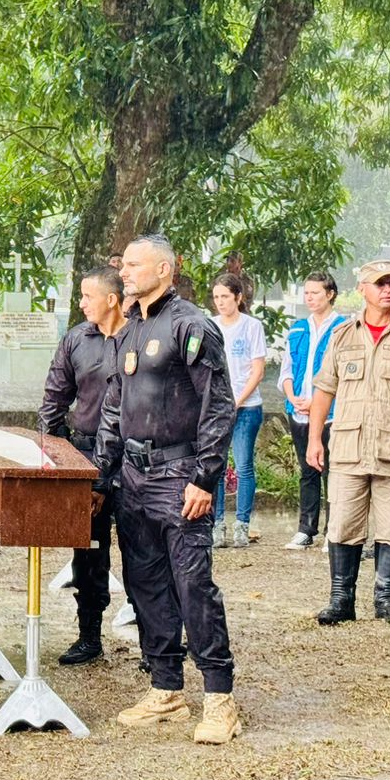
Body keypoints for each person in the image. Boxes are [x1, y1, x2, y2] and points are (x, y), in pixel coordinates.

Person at [95, 234, 240, 745]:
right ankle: (165, 686)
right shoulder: (131, 327)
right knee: (145, 583)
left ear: (164, 269)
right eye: (124, 264)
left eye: (134, 265)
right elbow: (115, 405)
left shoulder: (191, 325)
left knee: (192, 582)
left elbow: (218, 406)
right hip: (133, 478)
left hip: (180, 477)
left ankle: (220, 697)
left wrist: (205, 477)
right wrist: (102, 472)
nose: (125, 272)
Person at [306, 260, 390, 627]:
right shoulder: (343, 335)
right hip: (349, 446)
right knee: (343, 523)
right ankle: (340, 598)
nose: (388, 289)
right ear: (362, 288)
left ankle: (386, 598)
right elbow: (324, 389)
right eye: (380, 283)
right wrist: (315, 438)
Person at [39, 264, 127, 665]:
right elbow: (54, 401)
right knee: (88, 550)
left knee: (144, 550)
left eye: (87, 296)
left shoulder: (138, 337)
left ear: (111, 299)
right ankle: (89, 635)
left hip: (135, 459)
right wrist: (59, 459)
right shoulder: (76, 339)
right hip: (87, 455)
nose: (81, 303)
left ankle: (158, 640)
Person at [278, 271, 344, 549]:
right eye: (306, 293)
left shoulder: (343, 328)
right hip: (299, 410)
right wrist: (294, 397)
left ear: (330, 294)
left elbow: (342, 374)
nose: (310, 298)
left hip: (330, 413)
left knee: (332, 471)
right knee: (307, 470)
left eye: (315, 293)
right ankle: (306, 529)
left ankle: (334, 530)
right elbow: (287, 369)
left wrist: (317, 400)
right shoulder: (297, 328)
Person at [209, 272, 266, 548]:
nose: (220, 302)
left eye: (225, 297)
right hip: (217, 408)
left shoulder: (251, 326)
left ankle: (241, 525)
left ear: (238, 298)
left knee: (243, 465)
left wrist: (237, 400)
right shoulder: (210, 326)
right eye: (216, 297)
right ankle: (216, 525)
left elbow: (257, 369)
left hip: (247, 406)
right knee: (215, 467)